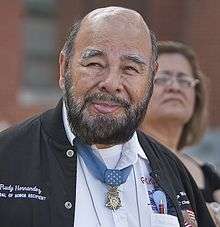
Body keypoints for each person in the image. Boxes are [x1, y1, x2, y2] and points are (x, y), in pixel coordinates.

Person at [0, 7, 215, 227]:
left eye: (130, 68)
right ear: (64, 68)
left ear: (151, 77)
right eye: (94, 64)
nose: (111, 83)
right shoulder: (7, 158)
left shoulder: (174, 171)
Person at [140, 40, 220, 225]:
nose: (174, 87)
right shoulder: (123, 158)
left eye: (184, 80)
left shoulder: (208, 173)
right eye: (162, 78)